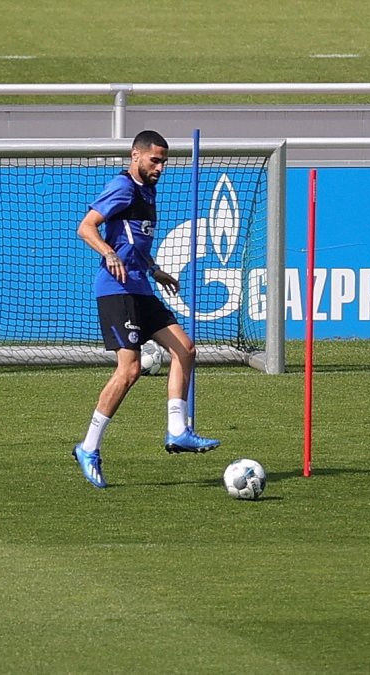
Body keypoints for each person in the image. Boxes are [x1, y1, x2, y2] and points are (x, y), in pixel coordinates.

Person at [71, 130, 220, 489]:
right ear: (135, 156)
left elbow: (132, 241)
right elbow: (86, 227)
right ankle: (88, 447)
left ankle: (176, 430)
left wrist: (154, 270)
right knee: (130, 370)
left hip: (140, 285)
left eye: (164, 161)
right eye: (155, 160)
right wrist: (107, 254)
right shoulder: (122, 187)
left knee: (185, 349)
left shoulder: (147, 192)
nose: (160, 167)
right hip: (116, 290)